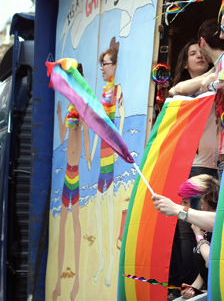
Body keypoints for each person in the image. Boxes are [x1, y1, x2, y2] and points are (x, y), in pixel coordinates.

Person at [170, 19, 224, 179]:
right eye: (192, 54)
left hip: (220, 156)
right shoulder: (203, 80)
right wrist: (213, 75)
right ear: (185, 63)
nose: (199, 56)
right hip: (197, 162)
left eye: (199, 52)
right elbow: (175, 90)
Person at [53, 64, 91, 301]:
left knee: (74, 224)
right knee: (64, 226)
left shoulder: (81, 103)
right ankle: (59, 282)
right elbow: (62, 136)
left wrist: (88, 157)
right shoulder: (70, 104)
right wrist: (59, 117)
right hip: (68, 171)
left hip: (75, 172)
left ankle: (75, 283)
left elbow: (86, 131)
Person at [92, 37, 125, 286]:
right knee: (100, 214)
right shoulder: (103, 92)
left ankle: (111, 264)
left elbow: (120, 125)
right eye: (101, 64)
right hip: (101, 161)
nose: (102, 68)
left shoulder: (117, 91)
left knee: (110, 215)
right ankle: (103, 262)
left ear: (115, 65)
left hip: (111, 161)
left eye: (106, 63)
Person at [177, 175, 221, 298]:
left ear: (205, 200)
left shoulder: (219, 226)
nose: (183, 206)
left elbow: (211, 262)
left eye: (186, 202)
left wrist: (198, 236)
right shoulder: (204, 228)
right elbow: (204, 271)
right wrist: (194, 288)